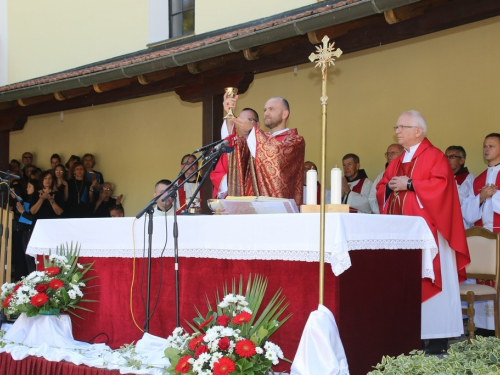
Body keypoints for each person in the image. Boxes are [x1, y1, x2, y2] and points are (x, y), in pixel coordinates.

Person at [376, 110, 470, 354]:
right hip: (403, 234)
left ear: (418, 131)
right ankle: (413, 336)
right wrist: (389, 189)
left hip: (431, 233)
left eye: (401, 127)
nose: (396, 131)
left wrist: (410, 184)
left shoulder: (435, 156)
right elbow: (381, 186)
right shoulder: (397, 161)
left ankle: (438, 338)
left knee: (432, 278)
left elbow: (442, 186)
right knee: (407, 283)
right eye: (396, 127)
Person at [221, 94, 305, 207]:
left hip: (276, 210)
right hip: (250, 207)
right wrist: (230, 115)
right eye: (265, 110)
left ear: (285, 114)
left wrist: (251, 130)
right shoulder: (256, 139)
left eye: (271, 109)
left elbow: (275, 154)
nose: (266, 113)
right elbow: (234, 148)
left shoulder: (295, 140)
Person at [210, 108, 260, 199]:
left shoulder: (264, 145)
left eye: (249, 120)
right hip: (236, 201)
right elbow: (218, 174)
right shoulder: (235, 146)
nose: (244, 123)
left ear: (258, 124)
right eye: (240, 120)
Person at [368, 144, 404, 214]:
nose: (389, 155)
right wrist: (381, 212)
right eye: (387, 153)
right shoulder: (381, 176)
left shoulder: (408, 173)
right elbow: (372, 198)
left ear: (403, 154)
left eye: (393, 153)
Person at [445, 145, 475, 228]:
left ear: (462, 160)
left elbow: (460, 199)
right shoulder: (442, 178)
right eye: (446, 157)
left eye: (452, 157)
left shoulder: (468, 178)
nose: (447, 160)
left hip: (460, 221)